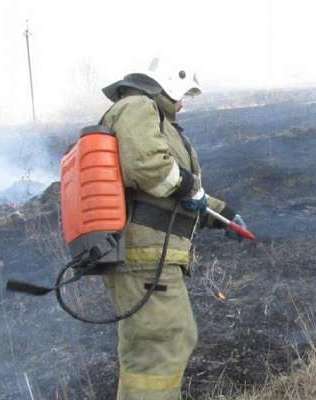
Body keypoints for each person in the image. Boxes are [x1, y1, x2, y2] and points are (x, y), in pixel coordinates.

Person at [98, 58, 246, 399]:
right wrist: (189, 189)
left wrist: (222, 214)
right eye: (183, 96)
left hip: (148, 256)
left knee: (153, 349)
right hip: (145, 256)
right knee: (164, 345)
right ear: (168, 82)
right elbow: (148, 166)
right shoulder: (137, 105)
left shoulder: (151, 115)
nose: (182, 104)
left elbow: (174, 194)